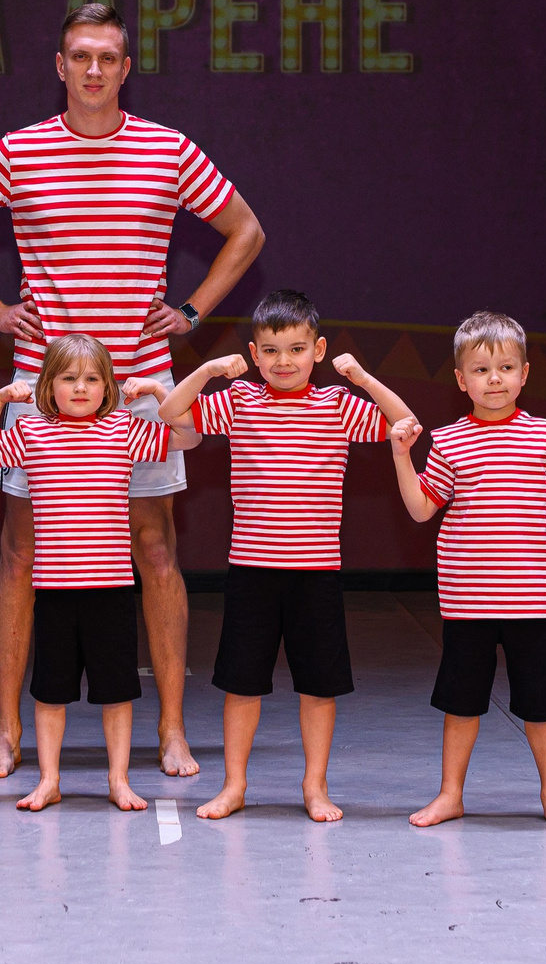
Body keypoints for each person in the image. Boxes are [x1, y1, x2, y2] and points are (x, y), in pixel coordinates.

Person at [0, 2, 265, 781]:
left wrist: (193, 310)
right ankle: (9, 730)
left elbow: (247, 230)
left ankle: (173, 728)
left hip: (142, 383)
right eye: (81, 56)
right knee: (19, 554)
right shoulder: (18, 152)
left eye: (109, 57)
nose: (95, 70)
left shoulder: (168, 150)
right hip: (41, 383)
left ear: (127, 66)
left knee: (156, 550)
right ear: (59, 64)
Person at [151, 289, 416, 822]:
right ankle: (234, 785)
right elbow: (168, 410)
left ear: (318, 350)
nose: (284, 362)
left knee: (318, 686)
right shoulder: (239, 401)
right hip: (252, 569)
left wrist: (361, 378)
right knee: (241, 682)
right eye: (270, 351)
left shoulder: (338, 406)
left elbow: (405, 422)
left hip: (316, 572)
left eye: (296, 349)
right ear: (253, 353)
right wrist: (207, 370)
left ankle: (315, 787)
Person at [388, 311, 546, 832]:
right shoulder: (447, 440)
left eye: (506, 367)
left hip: (532, 600)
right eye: (482, 370)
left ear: (525, 374)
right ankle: (450, 794)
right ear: (461, 380)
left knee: (541, 704)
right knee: (461, 702)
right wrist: (403, 457)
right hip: (468, 602)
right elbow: (423, 509)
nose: (495, 379)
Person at [0, 333, 199, 812]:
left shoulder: (123, 430)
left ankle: (118, 779)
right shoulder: (30, 433)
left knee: (116, 692)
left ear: (108, 387)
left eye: (92, 379)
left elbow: (188, 436)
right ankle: (49, 779)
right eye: (68, 379)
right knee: (50, 692)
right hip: (52, 589)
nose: (80, 388)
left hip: (111, 589)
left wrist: (157, 393)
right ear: (47, 386)